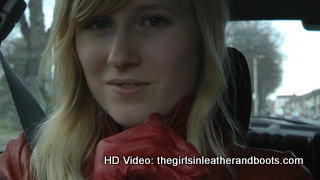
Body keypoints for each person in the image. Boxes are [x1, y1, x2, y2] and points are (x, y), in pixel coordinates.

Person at [0, 0, 312, 179]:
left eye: (152, 20)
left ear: (202, 42)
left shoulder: (277, 173)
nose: (120, 56)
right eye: (98, 23)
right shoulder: (28, 161)